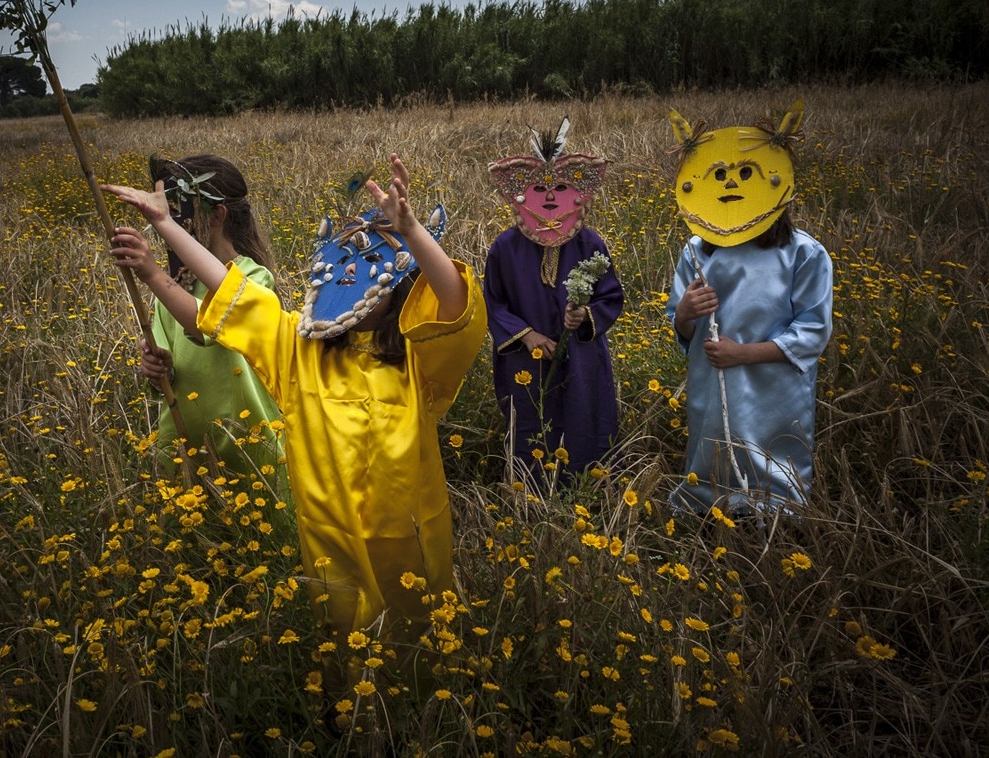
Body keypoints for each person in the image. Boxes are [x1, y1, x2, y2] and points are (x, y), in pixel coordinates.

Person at [104, 153, 487, 685]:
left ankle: (418, 713)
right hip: (328, 541)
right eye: (342, 265)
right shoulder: (296, 351)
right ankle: (351, 716)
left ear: (399, 292)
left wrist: (415, 234)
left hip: (409, 538)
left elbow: (453, 304)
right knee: (342, 641)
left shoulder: (418, 362)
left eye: (369, 266)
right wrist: (165, 225)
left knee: (415, 644)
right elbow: (233, 290)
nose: (350, 276)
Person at [664, 100, 833, 515]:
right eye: (719, 175)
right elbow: (679, 324)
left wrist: (743, 354)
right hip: (711, 379)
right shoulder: (697, 252)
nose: (731, 184)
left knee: (772, 447)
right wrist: (686, 311)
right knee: (713, 438)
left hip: (772, 385)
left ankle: (775, 508)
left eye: (745, 174)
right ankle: (709, 502)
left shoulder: (803, 254)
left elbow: (812, 330)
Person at [109, 154, 290, 510]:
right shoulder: (174, 289)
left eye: (179, 212)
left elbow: (207, 324)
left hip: (249, 444)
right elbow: (170, 370)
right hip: (186, 448)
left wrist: (152, 273)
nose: (171, 224)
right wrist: (157, 368)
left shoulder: (252, 279)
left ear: (217, 215)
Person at [484, 118, 624, 492]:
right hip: (525, 362)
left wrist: (586, 316)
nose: (549, 197)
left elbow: (611, 295)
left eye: (560, 188)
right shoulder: (504, 248)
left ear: (578, 194)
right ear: (520, 196)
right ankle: (530, 496)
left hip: (581, 357)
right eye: (539, 189)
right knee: (531, 423)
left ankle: (585, 494)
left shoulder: (589, 245)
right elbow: (493, 302)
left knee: (583, 418)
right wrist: (526, 335)